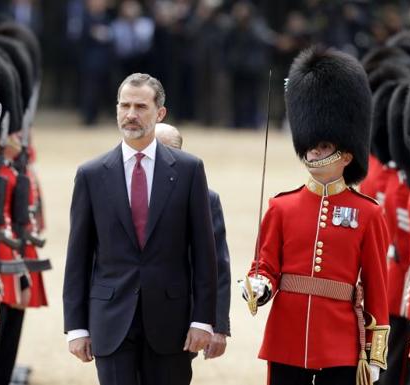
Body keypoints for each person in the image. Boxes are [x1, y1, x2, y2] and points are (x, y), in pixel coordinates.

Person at [241, 47, 389, 385]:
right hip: (286, 337)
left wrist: (375, 352)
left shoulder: (368, 213)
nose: (313, 152)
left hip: (339, 343)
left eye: (323, 147)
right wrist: (260, 284)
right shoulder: (282, 206)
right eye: (311, 145)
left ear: (346, 155)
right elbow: (265, 265)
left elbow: (377, 288)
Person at [63, 73, 217, 385]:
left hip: (172, 324)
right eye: (125, 105)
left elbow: (205, 253)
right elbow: (78, 256)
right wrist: (76, 327)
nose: (131, 114)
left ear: (160, 113)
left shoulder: (189, 170)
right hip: (110, 320)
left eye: (141, 107)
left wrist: (203, 320)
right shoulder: (91, 174)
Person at [154, 122, 231, 358]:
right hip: (123, 321)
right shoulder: (119, 189)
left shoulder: (206, 199)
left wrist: (217, 326)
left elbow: (217, 264)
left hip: (179, 321)